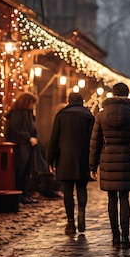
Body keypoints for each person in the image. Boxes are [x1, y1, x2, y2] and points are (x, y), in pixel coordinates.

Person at [89, 83, 130, 249]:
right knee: (124, 198)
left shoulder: (101, 115)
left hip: (108, 157)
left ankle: (115, 236)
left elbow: (95, 142)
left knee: (111, 198)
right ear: (127, 95)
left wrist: (92, 166)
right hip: (127, 156)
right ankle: (126, 237)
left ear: (113, 94)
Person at [47, 93, 95, 235]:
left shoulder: (61, 115)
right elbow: (94, 140)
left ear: (68, 101)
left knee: (67, 190)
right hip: (83, 157)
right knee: (81, 187)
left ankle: (70, 222)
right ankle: (81, 211)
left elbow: (54, 139)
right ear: (82, 102)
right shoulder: (88, 116)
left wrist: (50, 160)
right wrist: (94, 161)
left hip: (65, 158)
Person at [5, 91, 39, 204]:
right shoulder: (17, 114)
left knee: (25, 172)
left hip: (27, 146)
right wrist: (28, 137)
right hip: (20, 147)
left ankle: (25, 194)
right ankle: (20, 194)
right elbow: (16, 129)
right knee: (20, 171)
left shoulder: (28, 114)